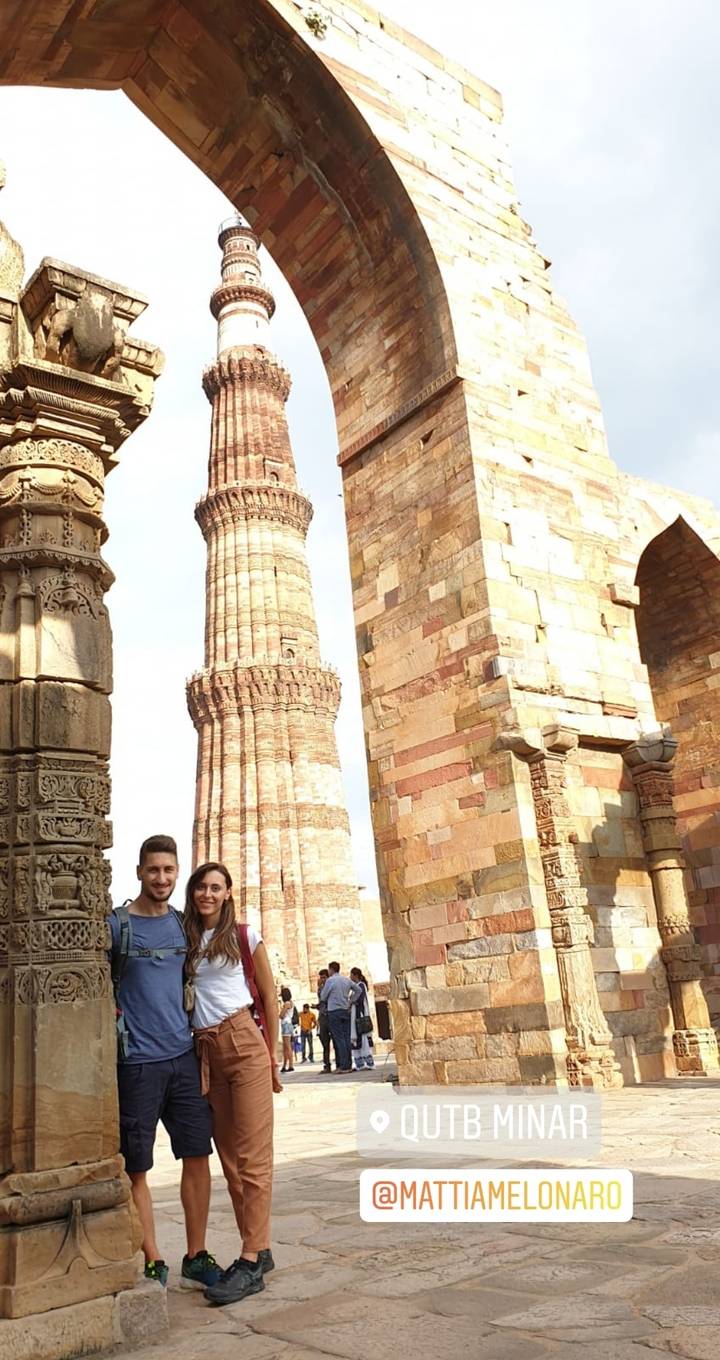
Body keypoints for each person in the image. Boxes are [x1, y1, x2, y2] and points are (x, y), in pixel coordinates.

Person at [109, 834, 221, 1291]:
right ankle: (153, 1256)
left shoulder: (183, 926)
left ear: (177, 874)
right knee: (138, 1166)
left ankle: (195, 1253)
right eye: (153, 870)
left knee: (196, 1155)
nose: (161, 878)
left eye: (169, 871)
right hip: (136, 1063)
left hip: (183, 1058)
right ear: (139, 872)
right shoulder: (117, 927)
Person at [185, 861, 281, 1306]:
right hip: (207, 1052)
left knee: (253, 1157)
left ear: (227, 893)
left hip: (244, 1043)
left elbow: (269, 995)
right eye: (202, 886)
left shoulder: (244, 936)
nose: (208, 894)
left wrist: (273, 1054)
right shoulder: (185, 938)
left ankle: (248, 1259)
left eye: (216, 887)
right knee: (231, 1162)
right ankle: (258, 1248)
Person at [320, 961, 361, 1074]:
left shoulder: (330, 981)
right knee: (346, 1037)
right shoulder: (346, 980)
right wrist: (351, 1001)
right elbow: (358, 990)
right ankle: (348, 1063)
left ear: (331, 970)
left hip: (334, 1011)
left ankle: (344, 1065)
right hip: (345, 1010)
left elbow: (323, 997)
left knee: (339, 1038)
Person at [350, 967, 375, 1070]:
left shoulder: (361, 985)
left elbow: (359, 999)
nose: (350, 977)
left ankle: (368, 1063)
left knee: (363, 1037)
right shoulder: (356, 986)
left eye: (351, 975)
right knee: (358, 1038)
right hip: (355, 1013)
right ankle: (360, 1063)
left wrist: (351, 1001)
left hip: (359, 1014)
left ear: (355, 975)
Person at [317, 968, 333, 1073]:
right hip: (323, 1016)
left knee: (336, 1041)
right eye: (321, 977)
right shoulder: (321, 989)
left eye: (324, 977)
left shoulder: (331, 986)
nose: (322, 979)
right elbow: (320, 1000)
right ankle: (327, 1065)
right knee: (324, 1042)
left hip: (330, 1015)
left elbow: (325, 1000)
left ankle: (340, 1063)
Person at [279, 986, 295, 1073]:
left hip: (286, 1024)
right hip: (288, 1024)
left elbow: (281, 1015)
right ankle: (285, 1065)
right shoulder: (291, 1003)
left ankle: (291, 1065)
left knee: (287, 1046)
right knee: (285, 1046)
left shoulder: (287, 1004)